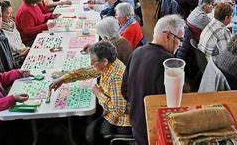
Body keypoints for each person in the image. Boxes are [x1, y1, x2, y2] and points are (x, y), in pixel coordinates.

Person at [49, 41, 131, 145]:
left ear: (104, 61)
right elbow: (87, 72)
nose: (91, 64)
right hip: (109, 108)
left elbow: (118, 110)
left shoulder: (116, 78)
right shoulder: (108, 64)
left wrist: (98, 94)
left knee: (89, 135)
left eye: (93, 61)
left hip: (121, 119)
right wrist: (63, 79)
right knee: (80, 120)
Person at [121, 15, 185, 144]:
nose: (180, 44)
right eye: (180, 39)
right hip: (154, 129)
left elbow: (124, 90)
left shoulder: (137, 52)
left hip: (136, 123)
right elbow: (170, 105)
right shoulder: (168, 65)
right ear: (168, 36)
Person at [0, 0, 30, 66]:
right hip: (17, 60)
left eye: (11, 13)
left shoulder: (11, 23)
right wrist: (22, 53)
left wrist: (24, 49)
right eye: (8, 13)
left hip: (24, 51)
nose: (11, 16)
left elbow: (18, 42)